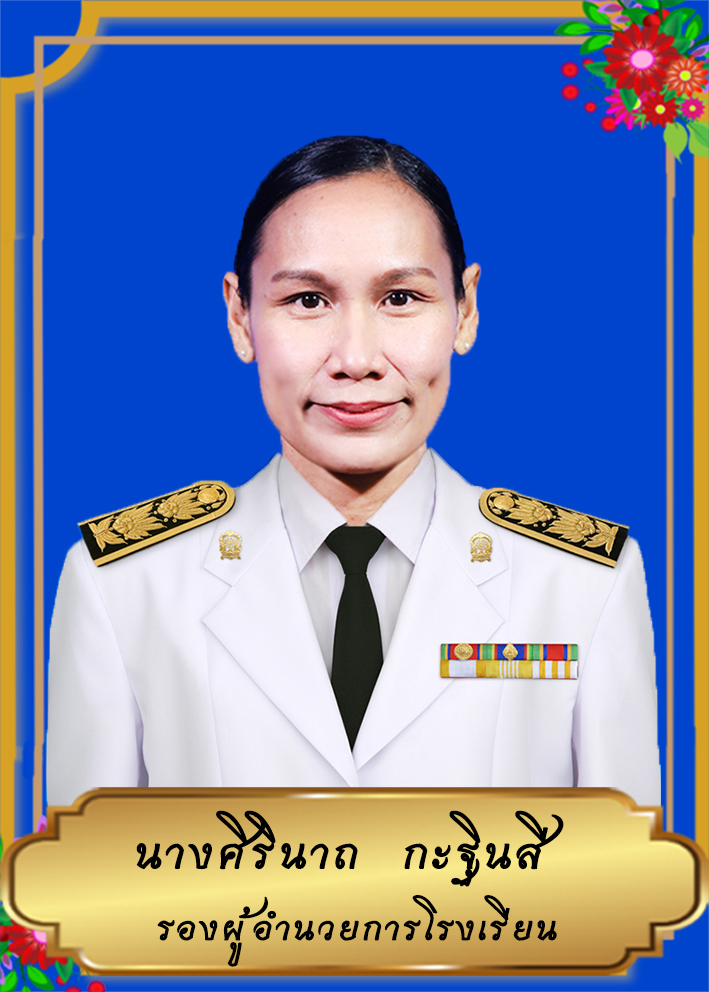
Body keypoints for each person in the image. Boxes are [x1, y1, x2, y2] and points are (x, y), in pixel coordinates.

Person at [47, 136, 661, 807]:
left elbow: (624, 867)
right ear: (240, 316)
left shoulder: (579, 583)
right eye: (308, 301)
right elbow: (85, 867)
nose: (357, 359)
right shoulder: (126, 585)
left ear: (465, 310)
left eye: (400, 297)